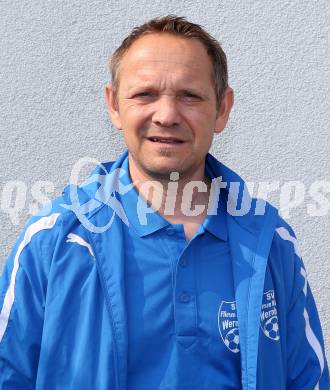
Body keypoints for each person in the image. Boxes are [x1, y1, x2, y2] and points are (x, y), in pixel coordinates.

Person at [0, 15, 329, 390]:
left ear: (222, 109)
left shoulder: (271, 243)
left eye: (190, 96)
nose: (167, 115)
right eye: (145, 94)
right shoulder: (55, 240)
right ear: (113, 106)